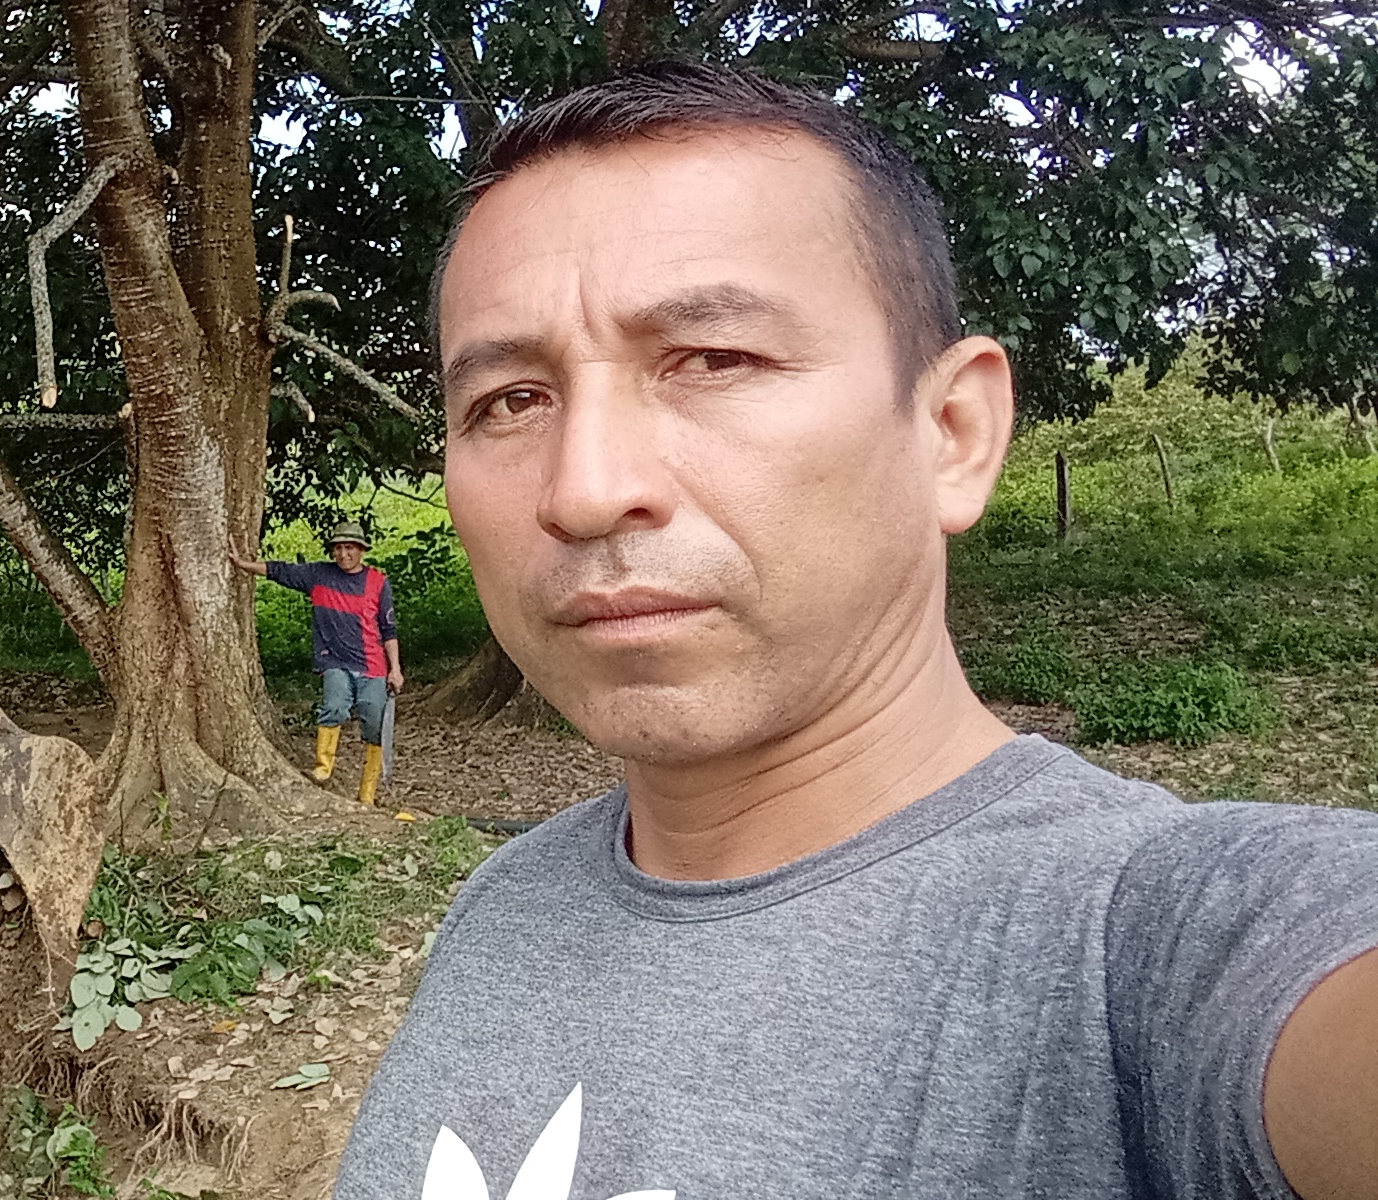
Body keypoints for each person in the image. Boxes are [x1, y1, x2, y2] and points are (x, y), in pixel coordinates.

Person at [336, 64, 1378, 1199]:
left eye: (714, 359)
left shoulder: (1162, 946)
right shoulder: (507, 904)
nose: (584, 491)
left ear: (953, 433)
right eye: (510, 401)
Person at [230, 521, 402, 805]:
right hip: (334, 661)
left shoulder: (378, 582)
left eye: (349, 548)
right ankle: (322, 770)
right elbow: (280, 571)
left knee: (375, 725)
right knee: (334, 707)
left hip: (373, 666)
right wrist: (243, 565)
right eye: (338, 548)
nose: (344, 554)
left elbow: (389, 630)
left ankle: (368, 794)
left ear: (361, 550)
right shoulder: (319, 575)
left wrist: (395, 669)